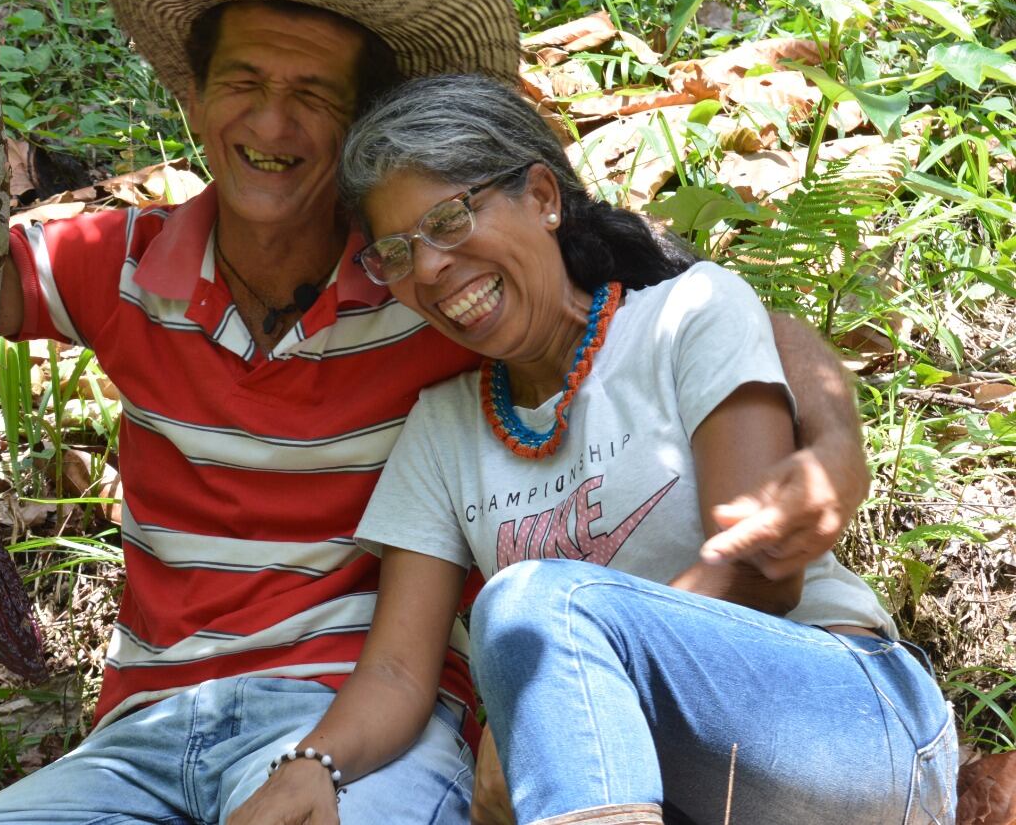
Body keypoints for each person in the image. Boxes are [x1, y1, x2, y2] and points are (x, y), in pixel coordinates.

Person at [0, 0, 878, 823]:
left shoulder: (426, 279)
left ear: (359, 128)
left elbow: (695, 309)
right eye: (243, 81)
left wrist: (832, 441)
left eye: (314, 92)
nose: (272, 121)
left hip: (356, 723)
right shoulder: (118, 266)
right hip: (144, 732)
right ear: (194, 101)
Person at [229, 74, 956, 825]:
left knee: (526, 605)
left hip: (848, 721)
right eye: (397, 251)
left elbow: (760, 570)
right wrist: (311, 764)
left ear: (543, 197)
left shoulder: (688, 314)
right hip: (667, 780)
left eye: (448, 219)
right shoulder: (442, 430)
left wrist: (550, 683)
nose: (430, 266)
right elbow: (395, 671)